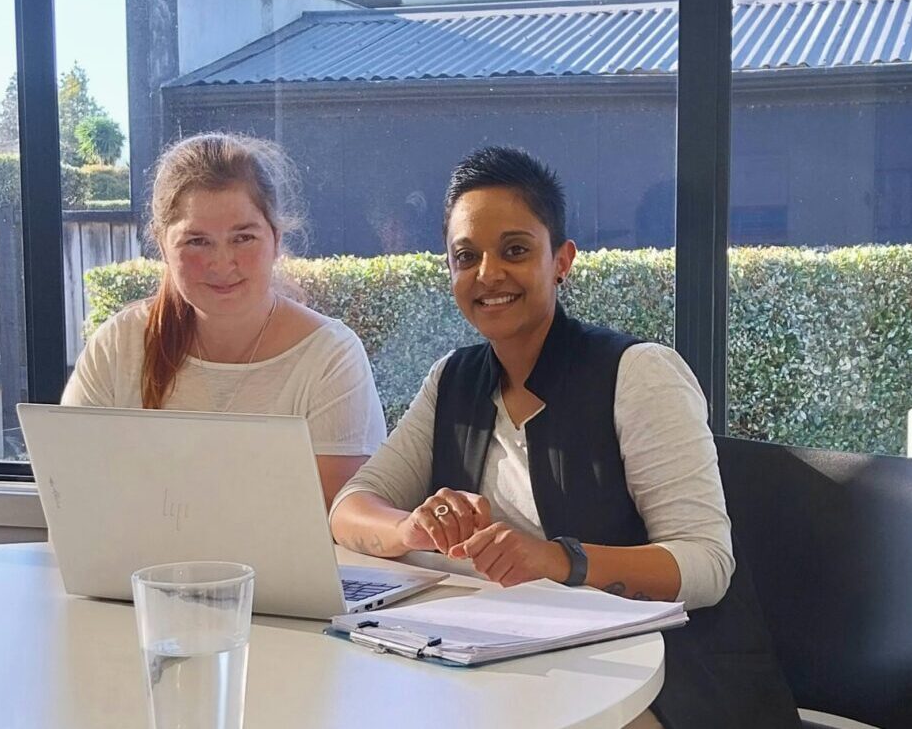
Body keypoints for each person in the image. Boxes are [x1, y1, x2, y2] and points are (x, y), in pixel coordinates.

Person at [329, 147, 797, 729]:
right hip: (516, 665)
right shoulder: (453, 379)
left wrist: (557, 561)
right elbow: (349, 509)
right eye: (465, 256)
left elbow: (705, 565)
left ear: (562, 261)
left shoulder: (638, 372)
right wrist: (409, 528)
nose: (488, 273)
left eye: (515, 250)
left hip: (670, 676)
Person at [62, 132, 387, 508]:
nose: (221, 264)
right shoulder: (119, 344)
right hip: (138, 568)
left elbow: (337, 525)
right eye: (196, 242)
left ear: (276, 239)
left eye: (243, 238)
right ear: (161, 244)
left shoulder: (330, 356)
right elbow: (73, 499)